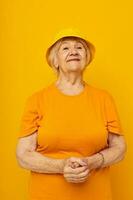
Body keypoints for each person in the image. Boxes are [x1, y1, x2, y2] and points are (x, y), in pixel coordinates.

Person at [16, 27, 127, 200]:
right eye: (65, 48)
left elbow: (119, 148)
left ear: (86, 58)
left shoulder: (104, 98)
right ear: (55, 61)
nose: (73, 51)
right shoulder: (36, 100)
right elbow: (23, 155)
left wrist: (91, 162)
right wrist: (61, 166)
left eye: (79, 47)